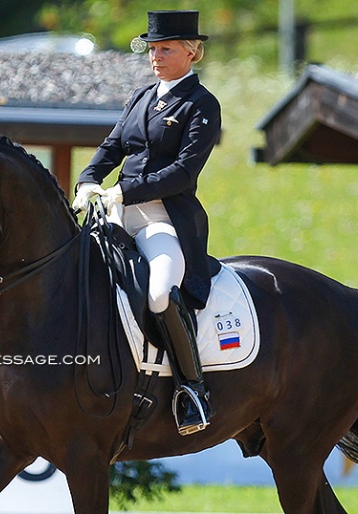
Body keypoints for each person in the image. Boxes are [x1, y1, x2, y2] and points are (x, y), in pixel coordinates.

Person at [72, 10, 221, 436]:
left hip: (162, 220)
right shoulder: (141, 96)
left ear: (191, 53)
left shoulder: (201, 104)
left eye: (165, 49)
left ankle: (192, 391)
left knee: (159, 293)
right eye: (152, 49)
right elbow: (112, 146)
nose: (155, 56)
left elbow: (183, 173)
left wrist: (124, 191)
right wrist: (88, 181)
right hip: (117, 215)